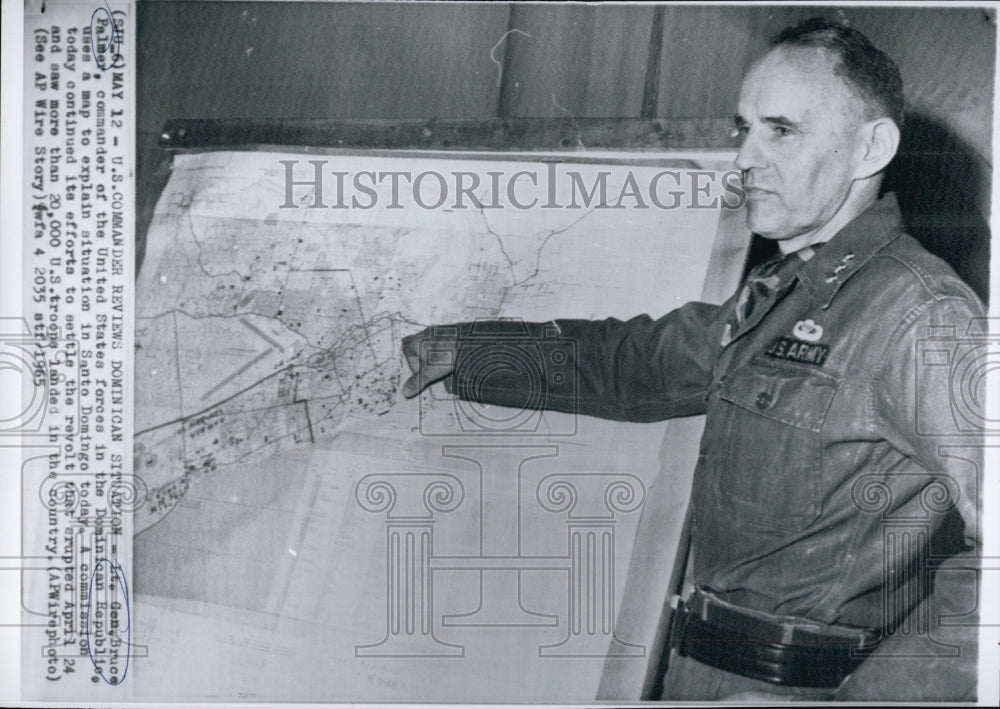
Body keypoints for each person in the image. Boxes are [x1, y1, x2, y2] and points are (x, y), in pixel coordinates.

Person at [401, 18, 983, 702]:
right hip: (695, 674)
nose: (744, 159)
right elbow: (638, 362)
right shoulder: (786, 295)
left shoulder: (921, 313)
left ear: (871, 146)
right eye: (745, 129)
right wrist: (468, 352)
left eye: (781, 130)